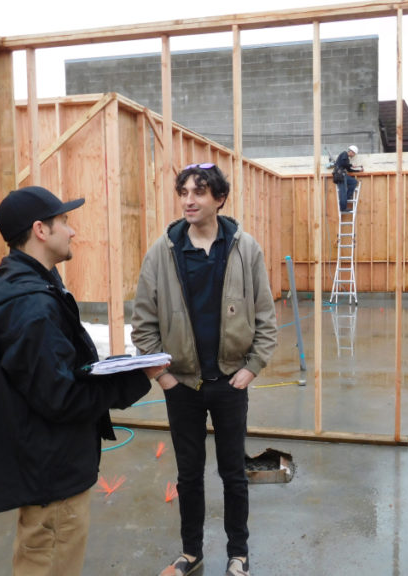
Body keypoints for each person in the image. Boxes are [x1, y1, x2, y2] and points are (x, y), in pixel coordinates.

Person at [0, 185, 156, 576]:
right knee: (51, 562)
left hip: (45, 463)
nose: (71, 231)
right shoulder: (30, 306)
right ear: (40, 230)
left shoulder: (28, 287)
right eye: (64, 222)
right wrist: (136, 379)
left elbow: (50, 378)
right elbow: (62, 398)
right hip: (52, 473)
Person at [131, 163, 277, 576]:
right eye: (183, 192)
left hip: (231, 381)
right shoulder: (164, 251)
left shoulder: (245, 248)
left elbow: (264, 315)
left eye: (199, 192)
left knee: (234, 473)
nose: (189, 200)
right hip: (183, 386)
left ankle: (238, 554)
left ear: (219, 199)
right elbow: (143, 322)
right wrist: (163, 377)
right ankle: (191, 552)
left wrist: (252, 367)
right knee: (189, 474)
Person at [333, 144, 364, 213]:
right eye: (354, 154)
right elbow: (344, 164)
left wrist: (358, 170)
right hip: (340, 175)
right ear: (351, 152)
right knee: (343, 191)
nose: (353, 155)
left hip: (343, 175)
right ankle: (343, 208)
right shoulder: (344, 154)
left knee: (354, 182)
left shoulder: (347, 159)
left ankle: (347, 196)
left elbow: (349, 170)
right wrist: (351, 165)